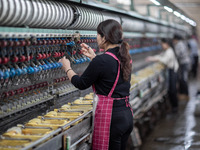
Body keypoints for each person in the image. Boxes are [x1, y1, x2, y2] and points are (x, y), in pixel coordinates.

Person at [59, 19, 133, 150]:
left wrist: (67, 68)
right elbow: (110, 70)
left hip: (112, 118)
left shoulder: (102, 60)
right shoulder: (124, 56)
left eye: (98, 35)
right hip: (126, 115)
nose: (97, 37)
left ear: (104, 38)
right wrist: (94, 57)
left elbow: (81, 83)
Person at [146, 38, 179, 112]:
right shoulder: (167, 51)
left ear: (166, 44)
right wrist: (153, 58)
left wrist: (153, 59)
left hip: (172, 71)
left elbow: (164, 60)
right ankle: (174, 106)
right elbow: (160, 56)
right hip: (171, 71)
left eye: (162, 44)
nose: (161, 46)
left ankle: (175, 107)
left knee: (172, 90)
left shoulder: (169, 51)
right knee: (171, 89)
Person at [173, 34, 190, 100]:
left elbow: (180, 53)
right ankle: (184, 94)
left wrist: (175, 56)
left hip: (183, 63)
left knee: (183, 78)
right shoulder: (181, 43)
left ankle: (186, 94)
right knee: (182, 78)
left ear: (176, 39)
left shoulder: (179, 44)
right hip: (184, 62)